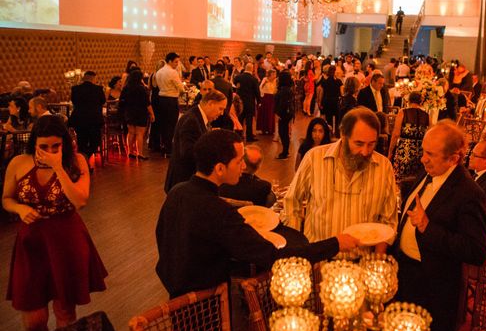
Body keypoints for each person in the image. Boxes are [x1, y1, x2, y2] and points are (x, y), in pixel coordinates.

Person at [156, 129, 359, 299]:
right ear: (219, 168)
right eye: (238, 162)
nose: (244, 167)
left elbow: (162, 237)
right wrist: (335, 243)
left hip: (175, 293)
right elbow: (274, 256)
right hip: (206, 303)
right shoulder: (218, 212)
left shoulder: (177, 191)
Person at [2, 116, 107, 331]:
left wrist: (58, 166)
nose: (49, 151)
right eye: (43, 147)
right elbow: (6, 199)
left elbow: (80, 200)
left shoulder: (76, 161)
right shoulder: (19, 163)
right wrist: (20, 209)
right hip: (31, 243)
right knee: (34, 321)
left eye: (56, 146)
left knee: (65, 313)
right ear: (34, 144)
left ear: (64, 143)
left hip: (66, 240)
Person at [394, 121, 486, 331]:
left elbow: (476, 251)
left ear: (454, 158)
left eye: (430, 154)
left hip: (433, 290)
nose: (422, 158)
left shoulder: (470, 194)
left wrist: (428, 227)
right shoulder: (430, 171)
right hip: (406, 276)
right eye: (423, 151)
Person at [283, 107, 398, 251]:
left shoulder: (383, 167)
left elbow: (388, 221)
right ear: (343, 135)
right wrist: (301, 250)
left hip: (362, 262)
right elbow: (291, 202)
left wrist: (377, 259)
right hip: (320, 260)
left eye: (371, 144)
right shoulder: (314, 159)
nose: (365, 152)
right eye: (359, 144)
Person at [164, 90, 227, 193]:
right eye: (220, 109)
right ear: (210, 103)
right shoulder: (192, 120)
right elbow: (188, 153)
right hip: (183, 181)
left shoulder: (199, 117)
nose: (221, 113)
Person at [388, 91, 429, 179]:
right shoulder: (426, 115)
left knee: (401, 177)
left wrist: (390, 151)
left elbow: (396, 134)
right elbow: (430, 136)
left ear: (409, 100)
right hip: (420, 151)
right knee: (415, 178)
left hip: (404, 149)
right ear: (421, 102)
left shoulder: (403, 112)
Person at [69, 71, 106, 161]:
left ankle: (83, 160)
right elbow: (103, 101)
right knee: (95, 141)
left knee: (82, 142)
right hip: (94, 120)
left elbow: (74, 102)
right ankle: (86, 157)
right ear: (93, 78)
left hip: (79, 119)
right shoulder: (98, 89)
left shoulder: (75, 89)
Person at [118, 69, 154, 160]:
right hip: (140, 112)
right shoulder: (141, 88)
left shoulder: (126, 88)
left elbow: (121, 102)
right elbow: (147, 103)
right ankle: (140, 153)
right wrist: (152, 114)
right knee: (139, 134)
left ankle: (130, 152)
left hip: (129, 112)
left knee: (131, 132)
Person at [155, 52, 185, 157]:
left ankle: (163, 146)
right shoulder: (172, 72)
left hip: (161, 99)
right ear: (169, 61)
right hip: (171, 100)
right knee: (171, 124)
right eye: (176, 62)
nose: (177, 64)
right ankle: (168, 149)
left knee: (163, 124)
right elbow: (181, 88)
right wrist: (181, 91)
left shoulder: (159, 72)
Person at [234, 62, 261, 142]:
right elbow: (257, 91)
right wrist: (259, 101)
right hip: (250, 102)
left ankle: (238, 136)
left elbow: (235, 84)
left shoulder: (238, 77)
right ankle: (249, 137)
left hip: (240, 102)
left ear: (245, 68)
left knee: (240, 119)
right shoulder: (254, 79)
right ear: (252, 69)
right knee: (249, 120)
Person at [274, 70, 296, 159]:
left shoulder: (284, 90)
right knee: (284, 132)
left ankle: (285, 152)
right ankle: (285, 151)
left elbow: (283, 103)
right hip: (287, 113)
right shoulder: (287, 88)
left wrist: (278, 113)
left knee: (283, 133)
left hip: (284, 114)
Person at [316, 65, 342, 135]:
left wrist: (320, 102)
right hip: (336, 102)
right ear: (335, 72)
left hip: (327, 102)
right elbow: (342, 93)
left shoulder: (325, 81)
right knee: (337, 119)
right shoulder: (338, 81)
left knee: (329, 119)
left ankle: (329, 133)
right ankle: (337, 133)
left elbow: (322, 93)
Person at [257, 69, 277, 135]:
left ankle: (270, 129)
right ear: (270, 74)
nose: (275, 75)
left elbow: (276, 89)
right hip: (265, 98)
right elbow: (260, 87)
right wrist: (262, 95)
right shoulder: (265, 79)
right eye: (273, 74)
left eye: (275, 74)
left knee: (270, 114)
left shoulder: (275, 80)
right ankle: (264, 129)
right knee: (264, 113)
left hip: (272, 98)